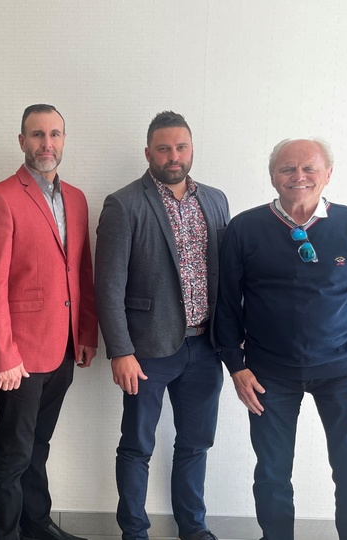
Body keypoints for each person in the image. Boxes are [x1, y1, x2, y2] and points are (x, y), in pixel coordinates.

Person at [215, 138, 347, 540]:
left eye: (310, 168)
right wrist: (236, 367)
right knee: (272, 475)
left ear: (328, 174)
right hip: (268, 376)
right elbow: (227, 304)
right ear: (272, 176)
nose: (299, 177)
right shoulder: (244, 229)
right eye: (287, 169)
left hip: (345, 374)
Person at [95, 111, 229, 540]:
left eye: (181, 146)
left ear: (192, 149)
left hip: (206, 348)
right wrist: (120, 350)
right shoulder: (124, 203)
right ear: (149, 152)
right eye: (165, 148)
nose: (174, 156)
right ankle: (134, 532)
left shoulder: (216, 199)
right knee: (137, 447)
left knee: (195, 444)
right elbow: (108, 285)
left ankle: (194, 528)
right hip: (147, 350)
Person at [0, 104, 98, 540]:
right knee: (13, 453)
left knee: (38, 448)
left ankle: (37, 525)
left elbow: (82, 270)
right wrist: (3, 354)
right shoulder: (0, 197)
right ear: (22, 141)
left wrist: (84, 333)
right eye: (38, 134)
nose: (48, 143)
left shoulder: (78, 199)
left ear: (64, 140)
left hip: (63, 350)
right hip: (19, 359)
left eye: (55, 134)